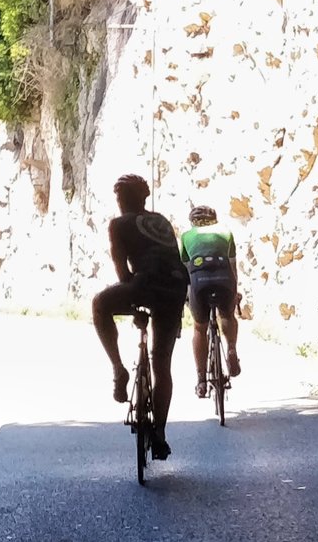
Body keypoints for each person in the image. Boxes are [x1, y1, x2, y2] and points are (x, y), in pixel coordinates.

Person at [91, 172, 189, 460]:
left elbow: (123, 273)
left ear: (126, 199)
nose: (119, 202)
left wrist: (134, 306)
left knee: (100, 305)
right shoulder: (161, 221)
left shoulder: (118, 224)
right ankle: (159, 432)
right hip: (175, 288)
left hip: (145, 285)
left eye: (120, 197)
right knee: (162, 364)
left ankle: (118, 369)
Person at [180, 204, 243, 396]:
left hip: (199, 282)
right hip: (224, 278)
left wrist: (184, 296)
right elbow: (233, 267)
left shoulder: (186, 236)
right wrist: (235, 291)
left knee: (200, 327)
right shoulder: (226, 232)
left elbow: (185, 270)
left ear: (193, 222)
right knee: (227, 316)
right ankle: (231, 349)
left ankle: (201, 380)